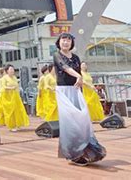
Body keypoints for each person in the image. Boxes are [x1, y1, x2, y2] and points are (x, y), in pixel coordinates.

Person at [53, 33, 106, 166]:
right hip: (64, 91)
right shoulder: (57, 55)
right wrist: (78, 76)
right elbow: (66, 68)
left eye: (68, 40)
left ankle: (87, 150)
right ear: (59, 43)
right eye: (63, 40)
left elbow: (80, 76)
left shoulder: (76, 57)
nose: (66, 43)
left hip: (76, 90)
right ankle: (73, 154)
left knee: (83, 119)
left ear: (72, 43)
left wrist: (88, 85)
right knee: (71, 122)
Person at [0, 64, 29, 131]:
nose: (12, 71)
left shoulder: (14, 77)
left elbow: (17, 86)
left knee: (18, 110)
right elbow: (3, 87)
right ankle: (11, 126)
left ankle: (18, 124)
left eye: (13, 69)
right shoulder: (4, 78)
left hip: (15, 96)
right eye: (10, 69)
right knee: (10, 111)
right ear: (7, 71)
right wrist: (10, 88)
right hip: (8, 96)